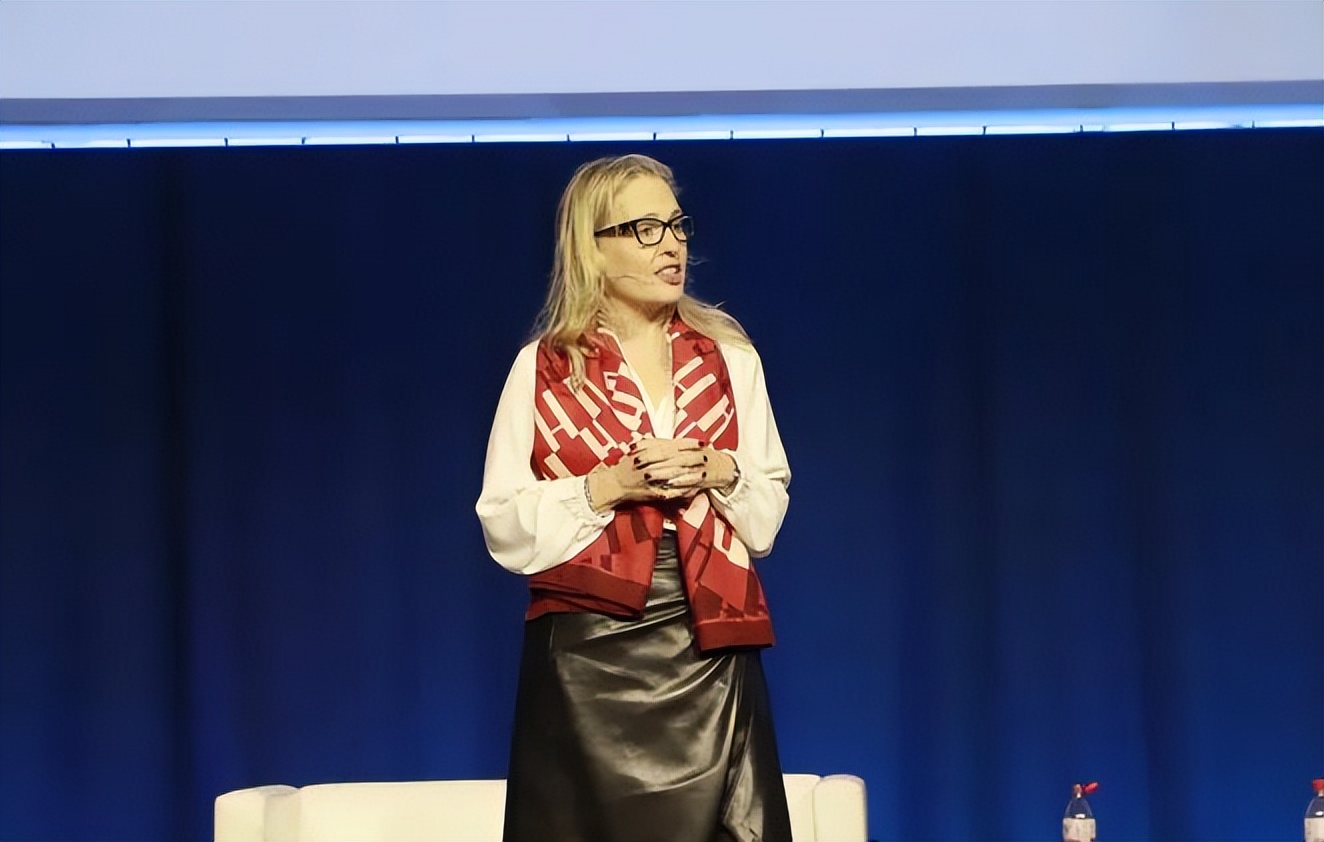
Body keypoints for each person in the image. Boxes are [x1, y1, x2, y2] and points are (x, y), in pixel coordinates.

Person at [476, 153, 793, 842]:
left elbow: (766, 515)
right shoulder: (544, 367)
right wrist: (608, 486)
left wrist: (718, 469)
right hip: (587, 651)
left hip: (709, 643)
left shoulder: (730, 358)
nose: (671, 245)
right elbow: (503, 523)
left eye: (676, 226)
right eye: (645, 229)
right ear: (593, 247)